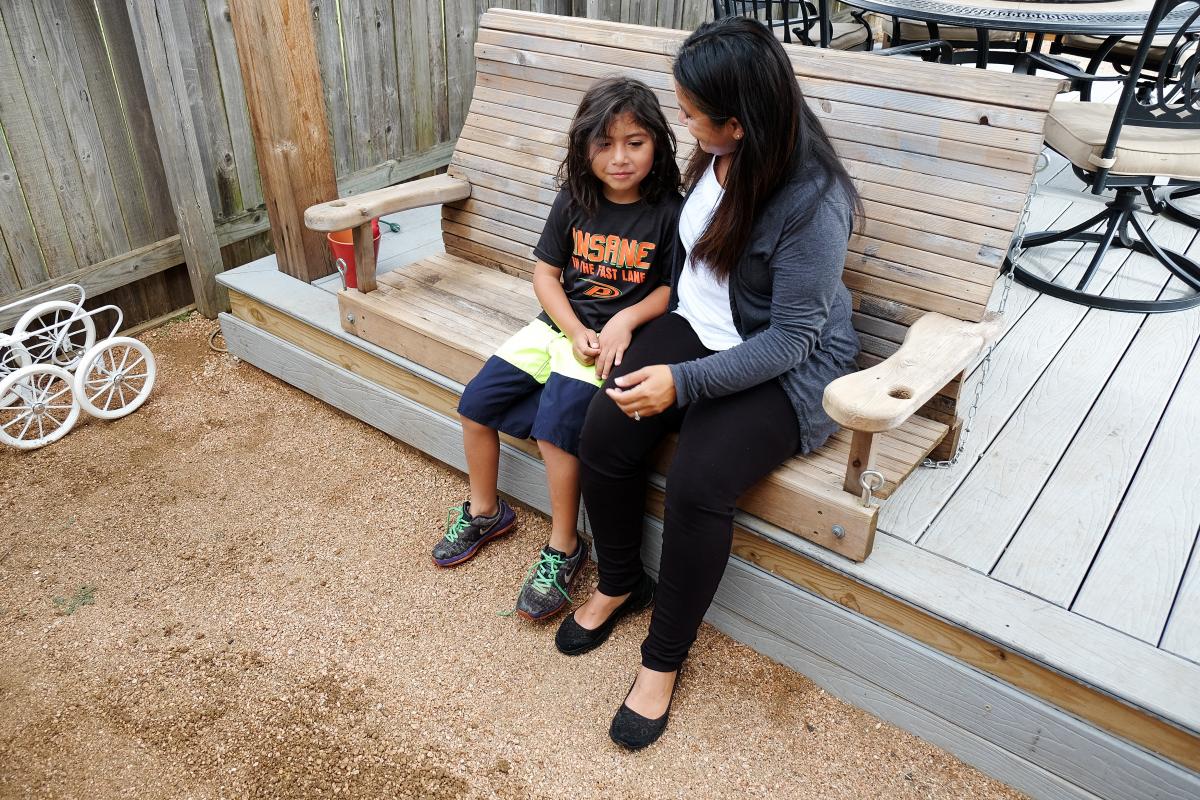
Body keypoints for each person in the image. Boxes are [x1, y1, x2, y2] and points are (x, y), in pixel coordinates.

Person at [554, 17, 862, 749]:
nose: (680, 121)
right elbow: (689, 265)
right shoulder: (719, 155)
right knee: (603, 430)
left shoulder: (812, 202)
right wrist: (631, 320)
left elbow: (793, 338)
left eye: (690, 113)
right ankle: (622, 580)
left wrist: (683, 384)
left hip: (783, 366)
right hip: (700, 328)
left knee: (698, 484)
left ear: (739, 122)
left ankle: (662, 662)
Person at [432, 77, 683, 624]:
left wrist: (623, 320)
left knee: (556, 431)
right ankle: (485, 511)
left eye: (635, 143)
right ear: (583, 145)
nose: (619, 158)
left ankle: (565, 546)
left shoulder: (668, 211)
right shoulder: (575, 198)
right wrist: (569, 327)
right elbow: (546, 274)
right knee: (476, 403)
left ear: (658, 144)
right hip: (559, 327)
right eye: (604, 143)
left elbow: (671, 289)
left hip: (609, 345)